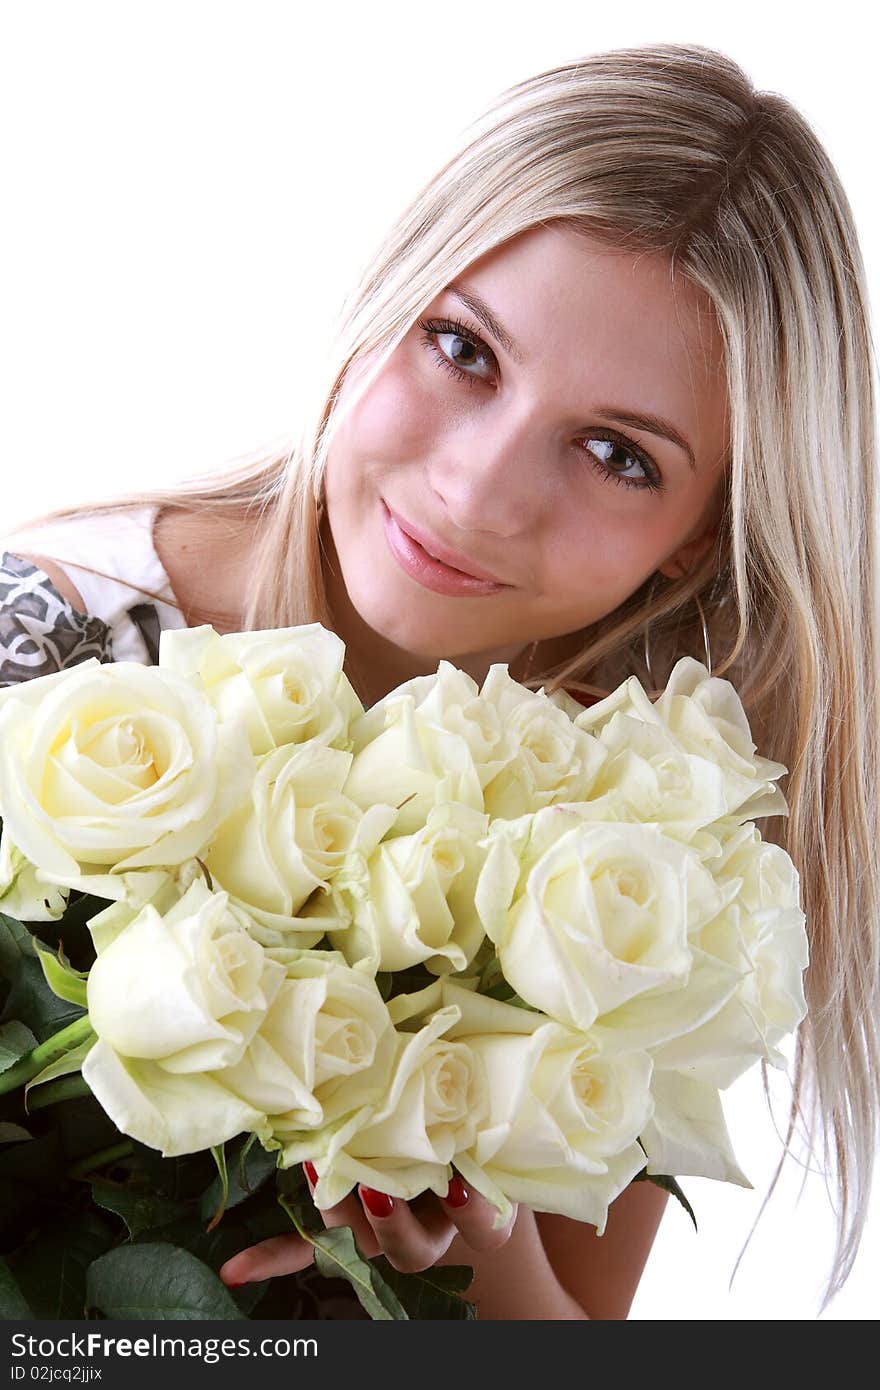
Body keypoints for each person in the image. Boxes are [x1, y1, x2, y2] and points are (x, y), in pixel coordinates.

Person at [1, 41, 877, 1319]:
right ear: (385, 300)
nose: (476, 491)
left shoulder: (645, 860)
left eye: (614, 453)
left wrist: (481, 1254)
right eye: (463, 350)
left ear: (695, 533)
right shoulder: (45, 661)